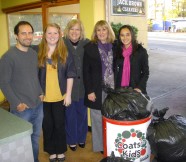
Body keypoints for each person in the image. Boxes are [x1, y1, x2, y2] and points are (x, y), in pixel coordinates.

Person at [0, 21, 43, 162]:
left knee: (35, 139)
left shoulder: (32, 53)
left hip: (38, 106)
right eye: (23, 33)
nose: (28, 36)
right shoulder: (8, 57)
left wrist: (41, 92)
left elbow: (34, 77)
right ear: (16, 36)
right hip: (22, 109)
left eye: (30, 33)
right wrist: (16, 103)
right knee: (21, 144)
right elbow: (4, 83)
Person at [38, 23, 76, 162]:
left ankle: (60, 150)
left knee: (59, 124)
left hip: (60, 96)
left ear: (60, 35)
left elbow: (70, 74)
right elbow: (33, 75)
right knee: (47, 125)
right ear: (44, 35)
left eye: (55, 33)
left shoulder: (65, 53)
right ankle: (51, 151)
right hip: (44, 97)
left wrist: (69, 94)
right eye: (49, 33)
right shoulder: (38, 52)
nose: (52, 36)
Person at [83, 20, 115, 152]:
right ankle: (101, 147)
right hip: (97, 88)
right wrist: (89, 91)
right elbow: (86, 71)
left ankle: (111, 144)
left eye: (104, 29)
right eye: (98, 30)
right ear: (95, 33)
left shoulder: (116, 46)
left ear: (108, 31)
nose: (101, 32)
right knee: (97, 118)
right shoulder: (90, 47)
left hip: (113, 89)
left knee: (111, 117)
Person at [63, 19, 89, 151]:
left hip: (83, 87)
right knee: (69, 115)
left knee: (82, 114)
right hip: (67, 87)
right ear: (68, 30)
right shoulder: (61, 43)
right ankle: (71, 139)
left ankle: (81, 138)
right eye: (72, 29)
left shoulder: (87, 43)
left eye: (77, 29)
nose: (74, 32)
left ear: (81, 31)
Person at [114, 25, 149, 94]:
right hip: (119, 89)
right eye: (122, 35)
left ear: (132, 35)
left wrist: (139, 87)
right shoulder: (117, 50)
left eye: (127, 35)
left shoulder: (141, 51)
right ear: (119, 37)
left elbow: (145, 73)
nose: (125, 38)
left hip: (135, 89)